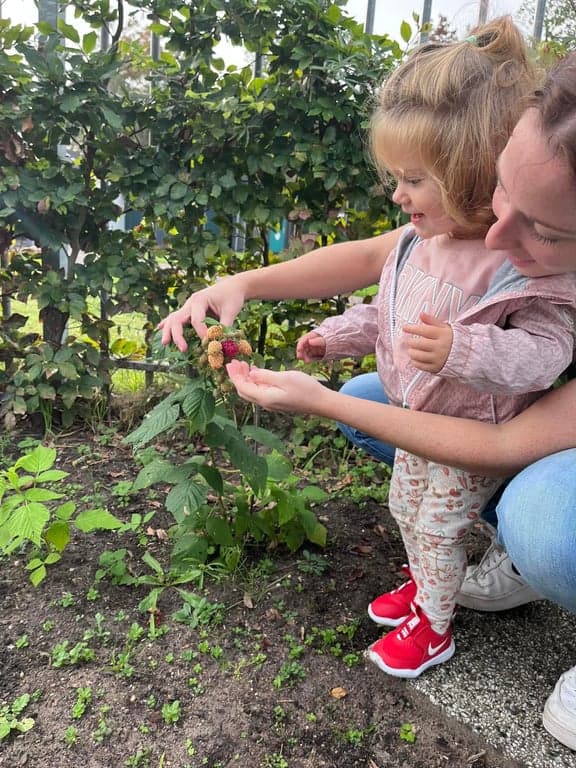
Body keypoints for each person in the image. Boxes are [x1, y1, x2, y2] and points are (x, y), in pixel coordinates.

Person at [160, 50, 576, 751]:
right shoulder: (426, 242)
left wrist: (461, 352)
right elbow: (385, 308)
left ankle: (435, 626)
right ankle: (428, 588)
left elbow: (544, 353)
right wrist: (332, 338)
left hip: (471, 431)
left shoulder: (522, 280)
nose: (398, 197)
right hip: (424, 421)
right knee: (406, 511)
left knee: (439, 526)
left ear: (463, 177)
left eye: (414, 180)